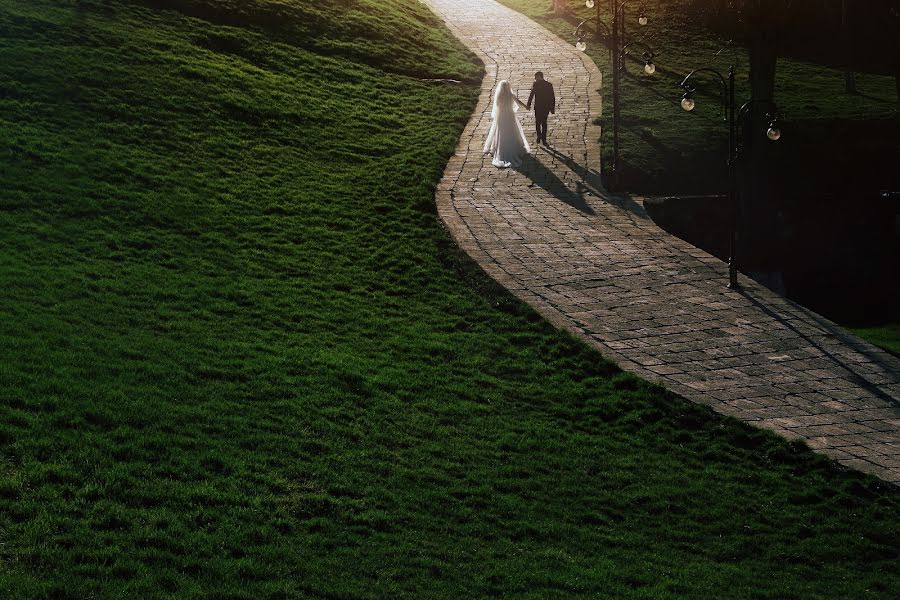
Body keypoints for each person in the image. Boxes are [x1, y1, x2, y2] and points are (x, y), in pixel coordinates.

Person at [483, 80, 530, 168]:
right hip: (510, 115)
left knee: (501, 132)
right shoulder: (510, 95)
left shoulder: (499, 96)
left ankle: (500, 149)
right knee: (512, 132)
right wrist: (525, 106)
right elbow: (518, 101)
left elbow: (497, 106)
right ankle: (515, 149)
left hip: (501, 116)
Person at [526, 71, 555, 146]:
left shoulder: (546, 85)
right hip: (541, 107)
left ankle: (542, 137)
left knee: (542, 122)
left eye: (536, 77)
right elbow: (532, 94)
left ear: (540, 76)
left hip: (543, 107)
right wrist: (528, 104)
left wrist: (552, 108)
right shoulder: (537, 84)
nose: (535, 79)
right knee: (540, 122)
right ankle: (540, 136)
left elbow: (552, 97)